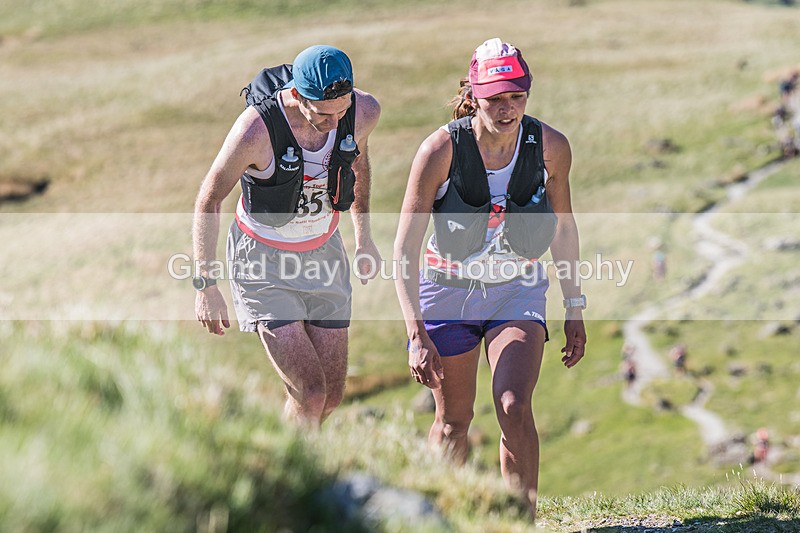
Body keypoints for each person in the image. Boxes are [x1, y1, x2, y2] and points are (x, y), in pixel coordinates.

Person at [393, 38, 587, 519]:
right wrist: (415, 332)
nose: (507, 108)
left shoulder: (550, 147)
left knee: (513, 405)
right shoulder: (440, 150)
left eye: (516, 96)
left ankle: (520, 522)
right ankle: (445, 520)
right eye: (495, 98)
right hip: (446, 292)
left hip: (516, 289)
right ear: (473, 94)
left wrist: (574, 305)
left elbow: (563, 227)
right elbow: (404, 249)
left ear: (528, 92)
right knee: (453, 419)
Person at [192, 45, 381, 426]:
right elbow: (209, 199)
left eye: (341, 111)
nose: (334, 123)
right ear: (296, 95)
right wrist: (205, 285)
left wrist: (364, 238)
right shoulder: (255, 130)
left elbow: (357, 163)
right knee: (309, 392)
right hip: (262, 261)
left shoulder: (364, 111)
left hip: (324, 254)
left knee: (330, 395)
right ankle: (293, 477)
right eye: (323, 114)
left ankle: (303, 461)